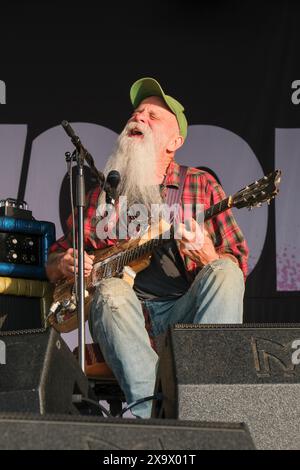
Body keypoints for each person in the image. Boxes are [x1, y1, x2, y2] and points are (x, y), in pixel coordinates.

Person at [46, 77, 249, 418]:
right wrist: (64, 263)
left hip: (182, 315)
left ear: (174, 141)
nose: (138, 117)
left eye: (152, 116)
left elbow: (237, 263)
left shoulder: (199, 184)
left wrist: (209, 255)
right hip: (124, 319)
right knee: (109, 290)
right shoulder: (102, 195)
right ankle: (152, 419)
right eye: (136, 113)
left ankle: (209, 410)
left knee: (225, 271)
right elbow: (53, 261)